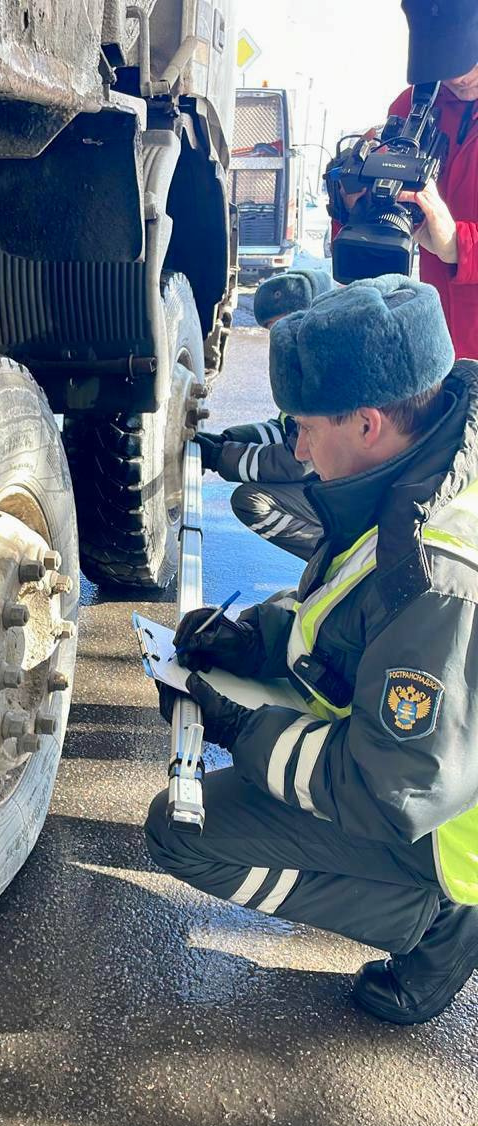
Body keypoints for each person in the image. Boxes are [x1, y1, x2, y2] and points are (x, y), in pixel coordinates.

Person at [146, 275, 478, 1025]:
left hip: (443, 826)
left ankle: (437, 923)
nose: (293, 446)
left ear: (365, 424)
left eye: (303, 426)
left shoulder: (439, 574)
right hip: (434, 764)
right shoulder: (427, 464)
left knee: (181, 831)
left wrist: (239, 729)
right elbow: (347, 612)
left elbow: (389, 791)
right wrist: (257, 641)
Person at [340, 0, 478, 358]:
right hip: (436, 345)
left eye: (467, 58)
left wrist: (458, 245)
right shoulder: (413, 107)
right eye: (445, 62)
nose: (459, 77)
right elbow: (375, 241)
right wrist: (356, 201)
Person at [196, 268, 331, 560]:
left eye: (284, 326)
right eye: (272, 331)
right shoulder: (308, 360)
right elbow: (285, 429)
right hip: (337, 479)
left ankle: (334, 555)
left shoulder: (323, 373)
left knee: (251, 501)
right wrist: (229, 439)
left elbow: (299, 462)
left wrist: (220, 458)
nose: (278, 339)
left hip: (350, 495)